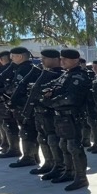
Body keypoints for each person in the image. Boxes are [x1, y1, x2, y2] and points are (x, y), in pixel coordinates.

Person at [39, 49, 91, 191]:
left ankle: (81, 178)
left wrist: (50, 102)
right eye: (61, 59)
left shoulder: (79, 76)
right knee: (63, 144)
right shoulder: (66, 75)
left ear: (75, 60)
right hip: (62, 116)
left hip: (73, 116)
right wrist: (46, 93)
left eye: (65, 59)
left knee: (74, 147)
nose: (61, 62)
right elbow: (51, 87)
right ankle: (68, 172)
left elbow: (70, 98)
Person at [4, 47, 41, 168]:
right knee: (28, 130)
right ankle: (33, 156)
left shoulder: (24, 69)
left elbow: (18, 88)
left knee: (26, 130)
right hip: (25, 104)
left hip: (23, 105)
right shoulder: (26, 68)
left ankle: (29, 157)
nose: (11, 59)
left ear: (19, 56)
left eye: (12, 56)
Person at [30, 50, 64, 178]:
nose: (42, 61)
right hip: (40, 112)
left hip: (51, 112)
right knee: (42, 138)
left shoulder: (60, 74)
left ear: (55, 59)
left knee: (53, 140)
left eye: (45, 58)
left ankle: (59, 165)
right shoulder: (41, 72)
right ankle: (48, 163)